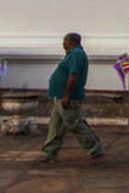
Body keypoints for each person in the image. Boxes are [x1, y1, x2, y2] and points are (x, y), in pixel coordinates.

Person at [40, 33, 104, 163]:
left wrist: (67, 95)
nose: (63, 44)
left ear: (71, 42)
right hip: (59, 96)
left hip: (67, 97)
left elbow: (73, 75)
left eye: (65, 41)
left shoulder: (76, 54)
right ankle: (50, 152)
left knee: (75, 123)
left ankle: (95, 149)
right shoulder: (71, 54)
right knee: (55, 126)